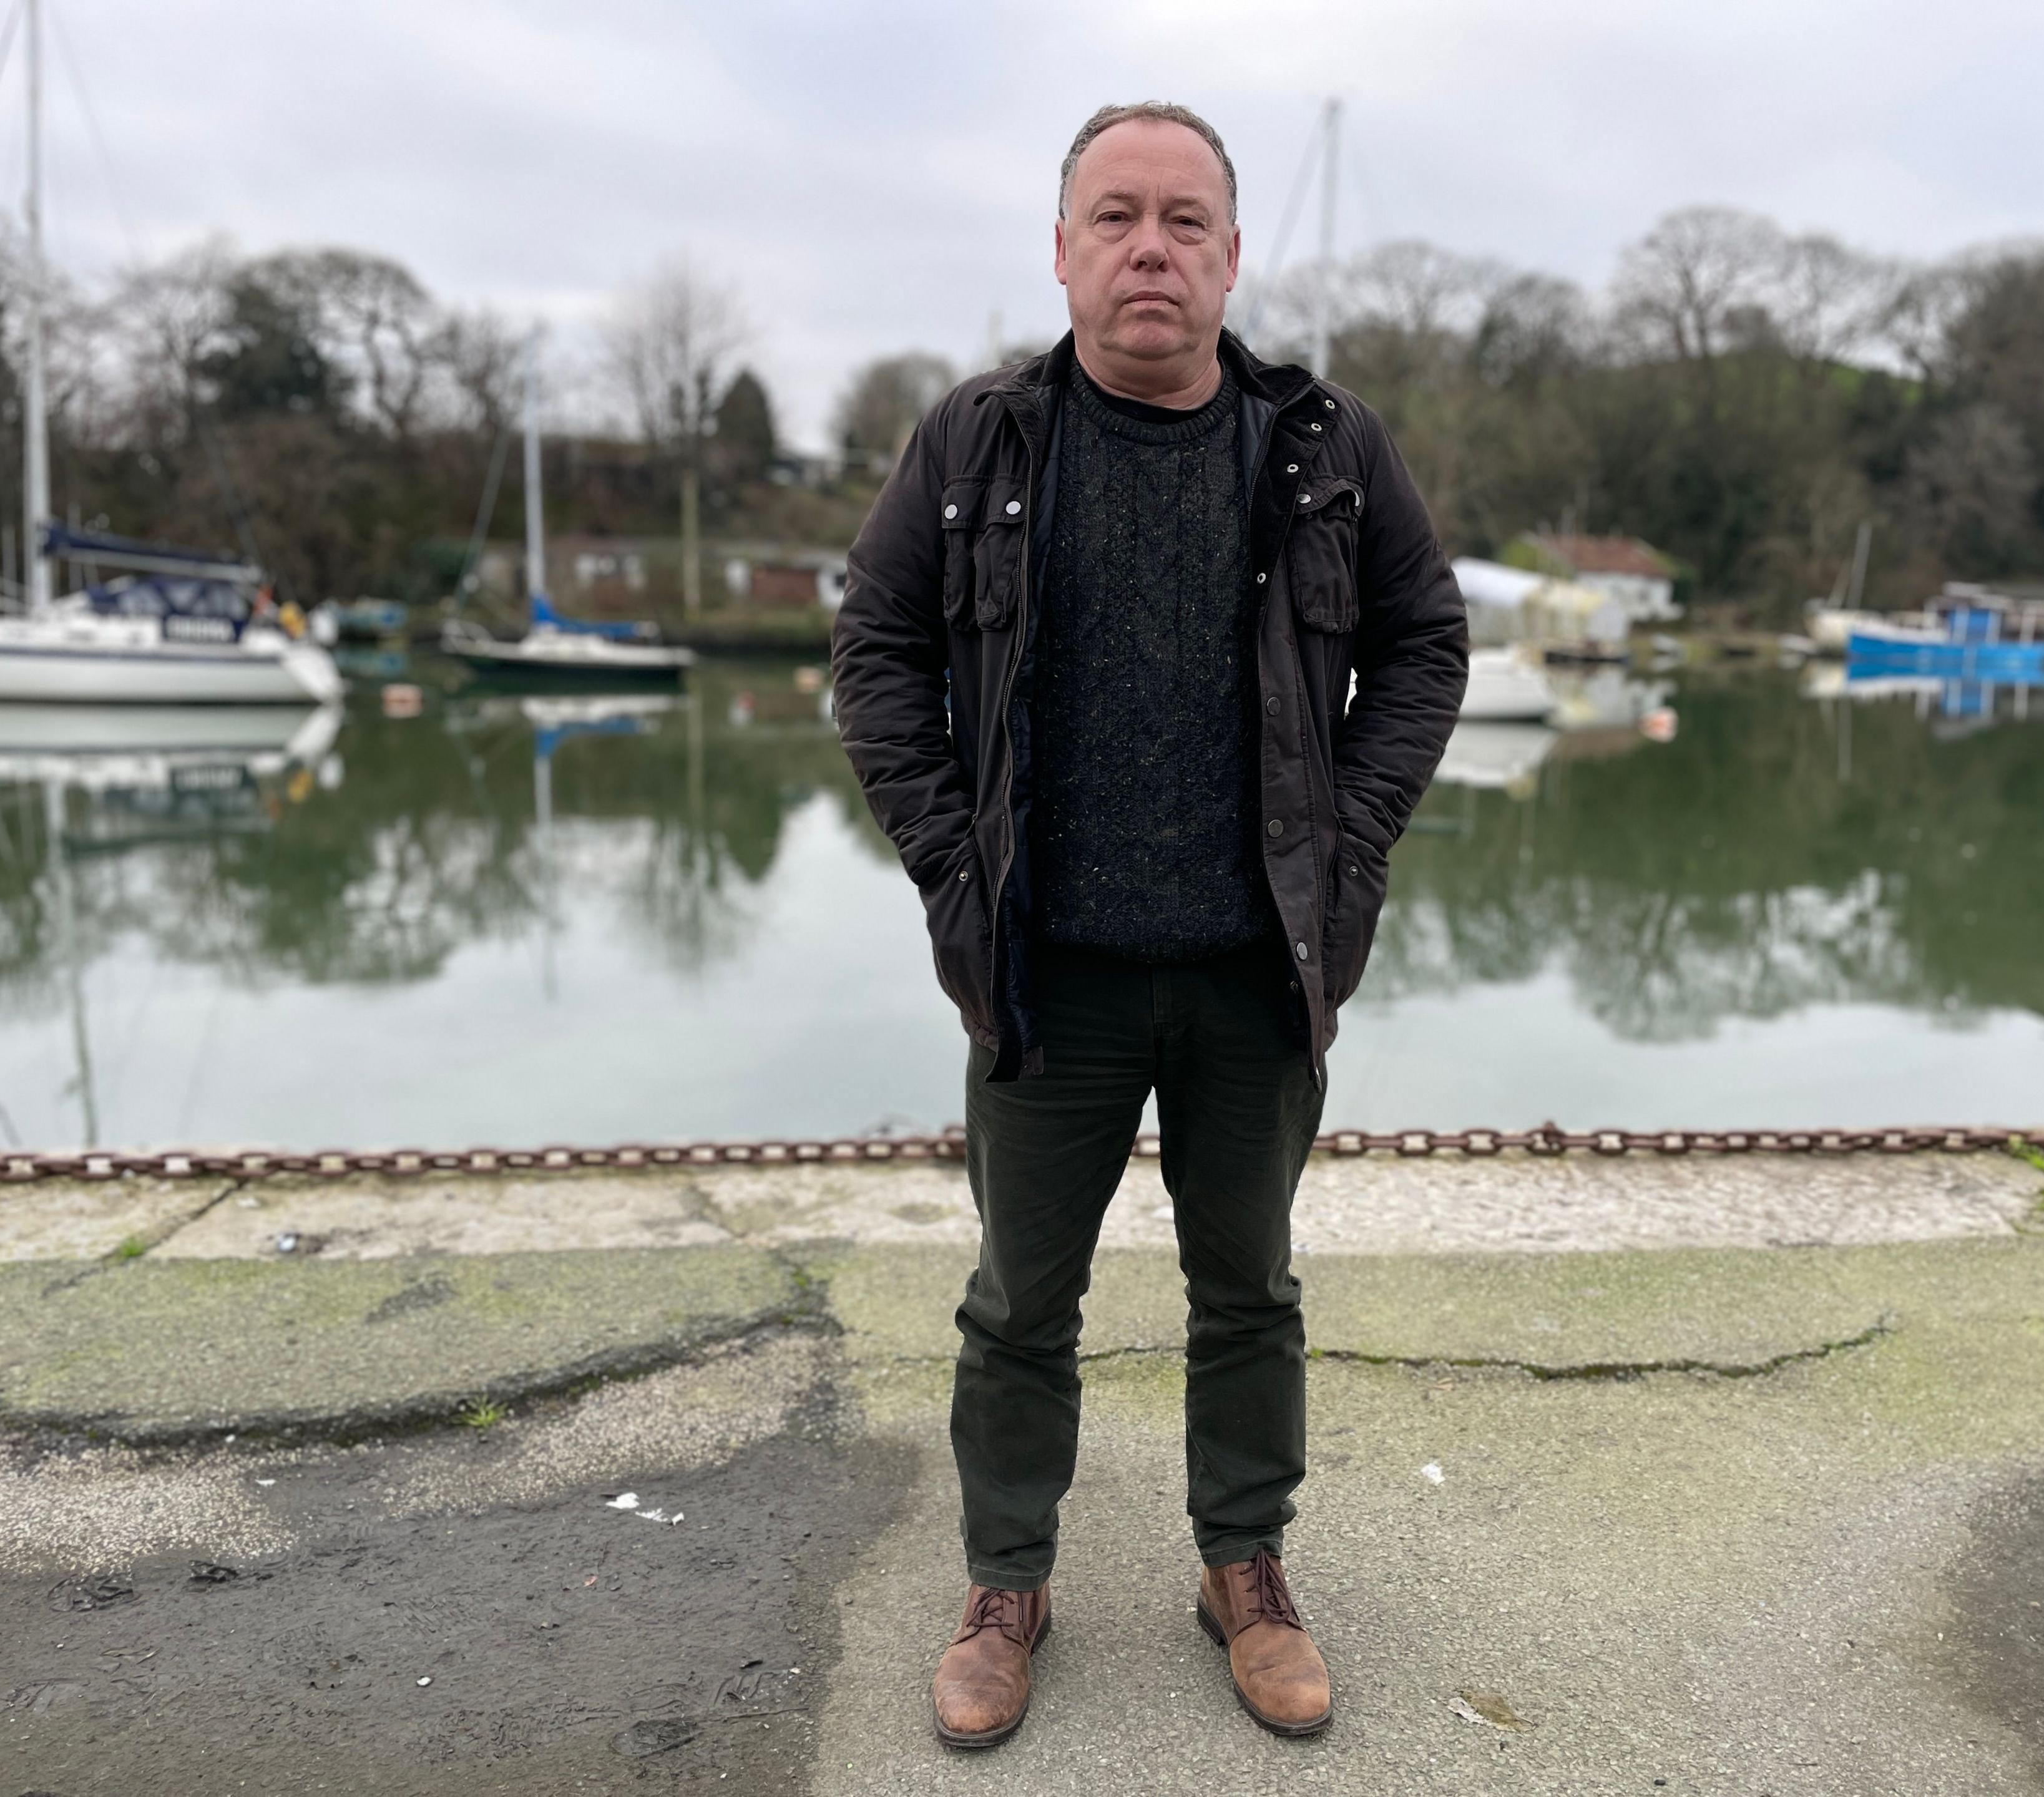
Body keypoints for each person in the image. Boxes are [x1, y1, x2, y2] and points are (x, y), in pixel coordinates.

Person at [831, 99, 1467, 1749]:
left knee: (1247, 1289)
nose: (1150, 250)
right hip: (1049, 970)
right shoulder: (974, 447)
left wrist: (1351, 843)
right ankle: (1005, 1583)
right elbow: (878, 659)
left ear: (1234, 258)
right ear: (1061, 251)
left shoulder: (1327, 448)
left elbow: (1424, 647)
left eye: (1185, 222)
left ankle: (1244, 1571)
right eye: (1115, 218)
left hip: (1258, 966)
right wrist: (951, 865)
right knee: (1016, 1306)